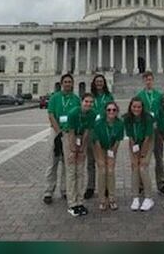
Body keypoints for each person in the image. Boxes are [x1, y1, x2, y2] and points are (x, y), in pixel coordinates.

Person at [43, 74, 79, 204]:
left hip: (69, 133)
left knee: (67, 162)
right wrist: (58, 132)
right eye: (66, 82)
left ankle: (64, 190)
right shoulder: (55, 97)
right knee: (53, 161)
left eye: (70, 82)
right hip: (56, 131)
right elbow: (51, 114)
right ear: (62, 83)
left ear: (72, 83)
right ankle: (48, 190)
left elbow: (77, 116)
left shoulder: (76, 99)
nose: (68, 84)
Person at [134, 71, 164, 197]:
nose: (148, 81)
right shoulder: (139, 96)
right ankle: (141, 184)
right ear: (143, 81)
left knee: (159, 158)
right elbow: (136, 113)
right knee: (142, 158)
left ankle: (161, 184)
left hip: (157, 130)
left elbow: (163, 112)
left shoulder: (159, 96)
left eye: (150, 79)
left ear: (153, 80)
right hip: (144, 132)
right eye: (146, 79)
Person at [62, 92, 96, 216]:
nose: (88, 104)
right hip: (69, 137)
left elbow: (87, 132)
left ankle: (80, 202)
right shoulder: (73, 113)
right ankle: (72, 204)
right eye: (86, 101)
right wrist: (72, 151)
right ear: (81, 102)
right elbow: (70, 132)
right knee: (71, 171)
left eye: (91, 102)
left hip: (81, 137)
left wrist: (81, 150)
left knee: (80, 171)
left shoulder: (92, 114)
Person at [124, 96, 156, 211]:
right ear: (130, 107)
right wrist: (135, 151)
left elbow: (148, 136)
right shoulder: (127, 118)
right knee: (135, 167)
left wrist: (142, 153)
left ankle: (148, 197)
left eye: (139, 107)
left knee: (143, 167)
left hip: (147, 141)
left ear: (142, 107)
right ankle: (135, 197)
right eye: (134, 107)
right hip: (135, 142)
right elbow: (131, 136)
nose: (136, 109)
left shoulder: (148, 118)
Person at [91, 101, 124, 211]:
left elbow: (118, 141)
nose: (111, 112)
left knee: (110, 171)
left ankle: (112, 198)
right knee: (102, 170)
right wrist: (101, 157)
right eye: (109, 110)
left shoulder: (119, 123)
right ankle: (102, 200)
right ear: (105, 111)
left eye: (114, 110)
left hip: (111, 148)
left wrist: (112, 155)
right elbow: (96, 141)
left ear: (117, 111)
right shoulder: (99, 123)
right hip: (99, 147)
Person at [86, 74, 114, 199]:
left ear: (104, 83)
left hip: (104, 131)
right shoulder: (90, 97)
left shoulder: (108, 97)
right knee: (91, 161)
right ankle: (90, 187)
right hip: (91, 131)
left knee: (105, 161)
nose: (99, 83)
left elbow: (113, 113)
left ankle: (106, 186)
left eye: (101, 81)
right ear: (94, 83)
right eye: (97, 81)